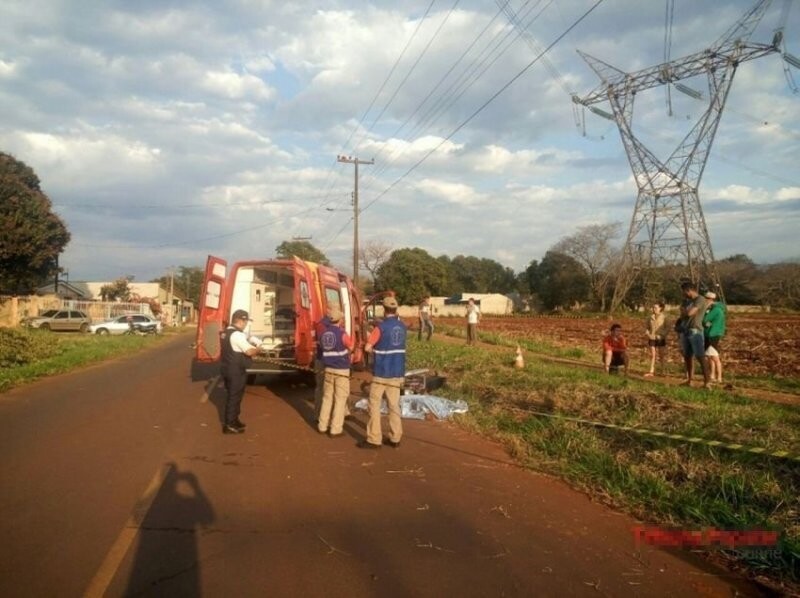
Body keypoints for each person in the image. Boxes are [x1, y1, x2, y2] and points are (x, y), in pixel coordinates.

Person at [359, 296, 407, 449]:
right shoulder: (403, 327)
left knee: (374, 405)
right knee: (394, 406)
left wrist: (374, 349)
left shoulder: (380, 328)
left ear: (384, 309)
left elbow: (367, 348)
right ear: (396, 309)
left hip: (381, 372)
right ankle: (395, 437)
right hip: (397, 372)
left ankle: (374, 438)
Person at [220, 309, 261, 434]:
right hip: (235, 371)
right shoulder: (237, 335)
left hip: (227, 368)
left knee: (236, 396)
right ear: (241, 320)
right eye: (246, 321)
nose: (246, 324)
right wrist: (258, 348)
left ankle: (234, 419)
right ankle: (229, 425)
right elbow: (249, 351)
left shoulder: (226, 332)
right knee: (234, 397)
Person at [317, 307, 354, 437]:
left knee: (327, 398)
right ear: (340, 320)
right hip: (341, 369)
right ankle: (335, 429)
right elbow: (351, 347)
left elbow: (322, 349)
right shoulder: (342, 334)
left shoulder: (323, 334)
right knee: (340, 399)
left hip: (328, 369)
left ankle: (322, 425)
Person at [679, 281, 710, 388]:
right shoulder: (686, 301)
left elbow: (690, 313)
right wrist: (685, 311)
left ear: (689, 290)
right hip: (685, 330)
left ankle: (707, 382)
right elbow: (682, 313)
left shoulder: (700, 299)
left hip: (695, 330)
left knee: (700, 356)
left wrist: (686, 311)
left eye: (684, 291)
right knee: (687, 357)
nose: (683, 294)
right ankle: (690, 380)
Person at [703, 291, 726, 383]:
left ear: (711, 299)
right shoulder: (713, 309)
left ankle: (719, 377)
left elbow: (705, 319)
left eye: (707, 299)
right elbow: (706, 322)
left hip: (712, 334)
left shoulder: (716, 310)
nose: (705, 300)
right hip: (710, 333)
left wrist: (706, 322)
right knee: (710, 356)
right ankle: (712, 375)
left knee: (715, 357)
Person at [644, 302, 668, 377]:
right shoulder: (650, 317)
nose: (653, 309)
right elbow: (647, 327)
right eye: (653, 307)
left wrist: (662, 335)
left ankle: (663, 371)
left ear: (660, 308)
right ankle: (651, 371)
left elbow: (667, 328)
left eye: (655, 307)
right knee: (653, 355)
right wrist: (647, 334)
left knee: (661, 355)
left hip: (660, 338)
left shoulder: (665, 317)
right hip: (652, 337)